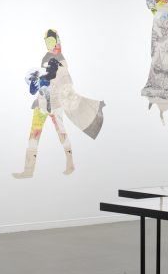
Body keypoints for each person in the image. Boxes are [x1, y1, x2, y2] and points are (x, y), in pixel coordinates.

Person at [13, 30, 105, 178]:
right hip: (41, 102)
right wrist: (37, 82)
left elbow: (66, 82)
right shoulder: (45, 57)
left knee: (61, 132)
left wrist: (53, 75)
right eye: (47, 42)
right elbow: (42, 78)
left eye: (51, 41)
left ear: (57, 40)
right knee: (34, 133)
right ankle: (28, 170)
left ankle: (70, 164)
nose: (50, 44)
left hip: (56, 104)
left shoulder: (61, 60)